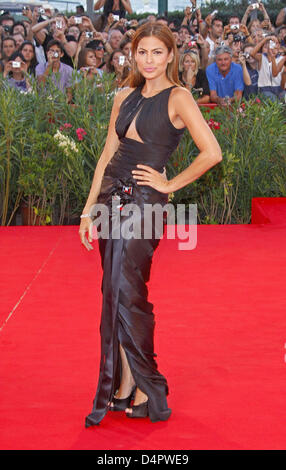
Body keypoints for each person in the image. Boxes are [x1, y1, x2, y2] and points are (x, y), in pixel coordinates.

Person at [79, 22, 222, 427]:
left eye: (157, 52)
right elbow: (108, 154)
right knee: (114, 293)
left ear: (171, 55)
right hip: (110, 202)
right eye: (143, 52)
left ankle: (147, 386)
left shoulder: (179, 98)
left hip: (144, 205)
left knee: (129, 292)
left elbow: (211, 152)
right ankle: (123, 384)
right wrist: (90, 209)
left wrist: (169, 183)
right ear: (133, 54)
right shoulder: (123, 95)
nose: (149, 60)